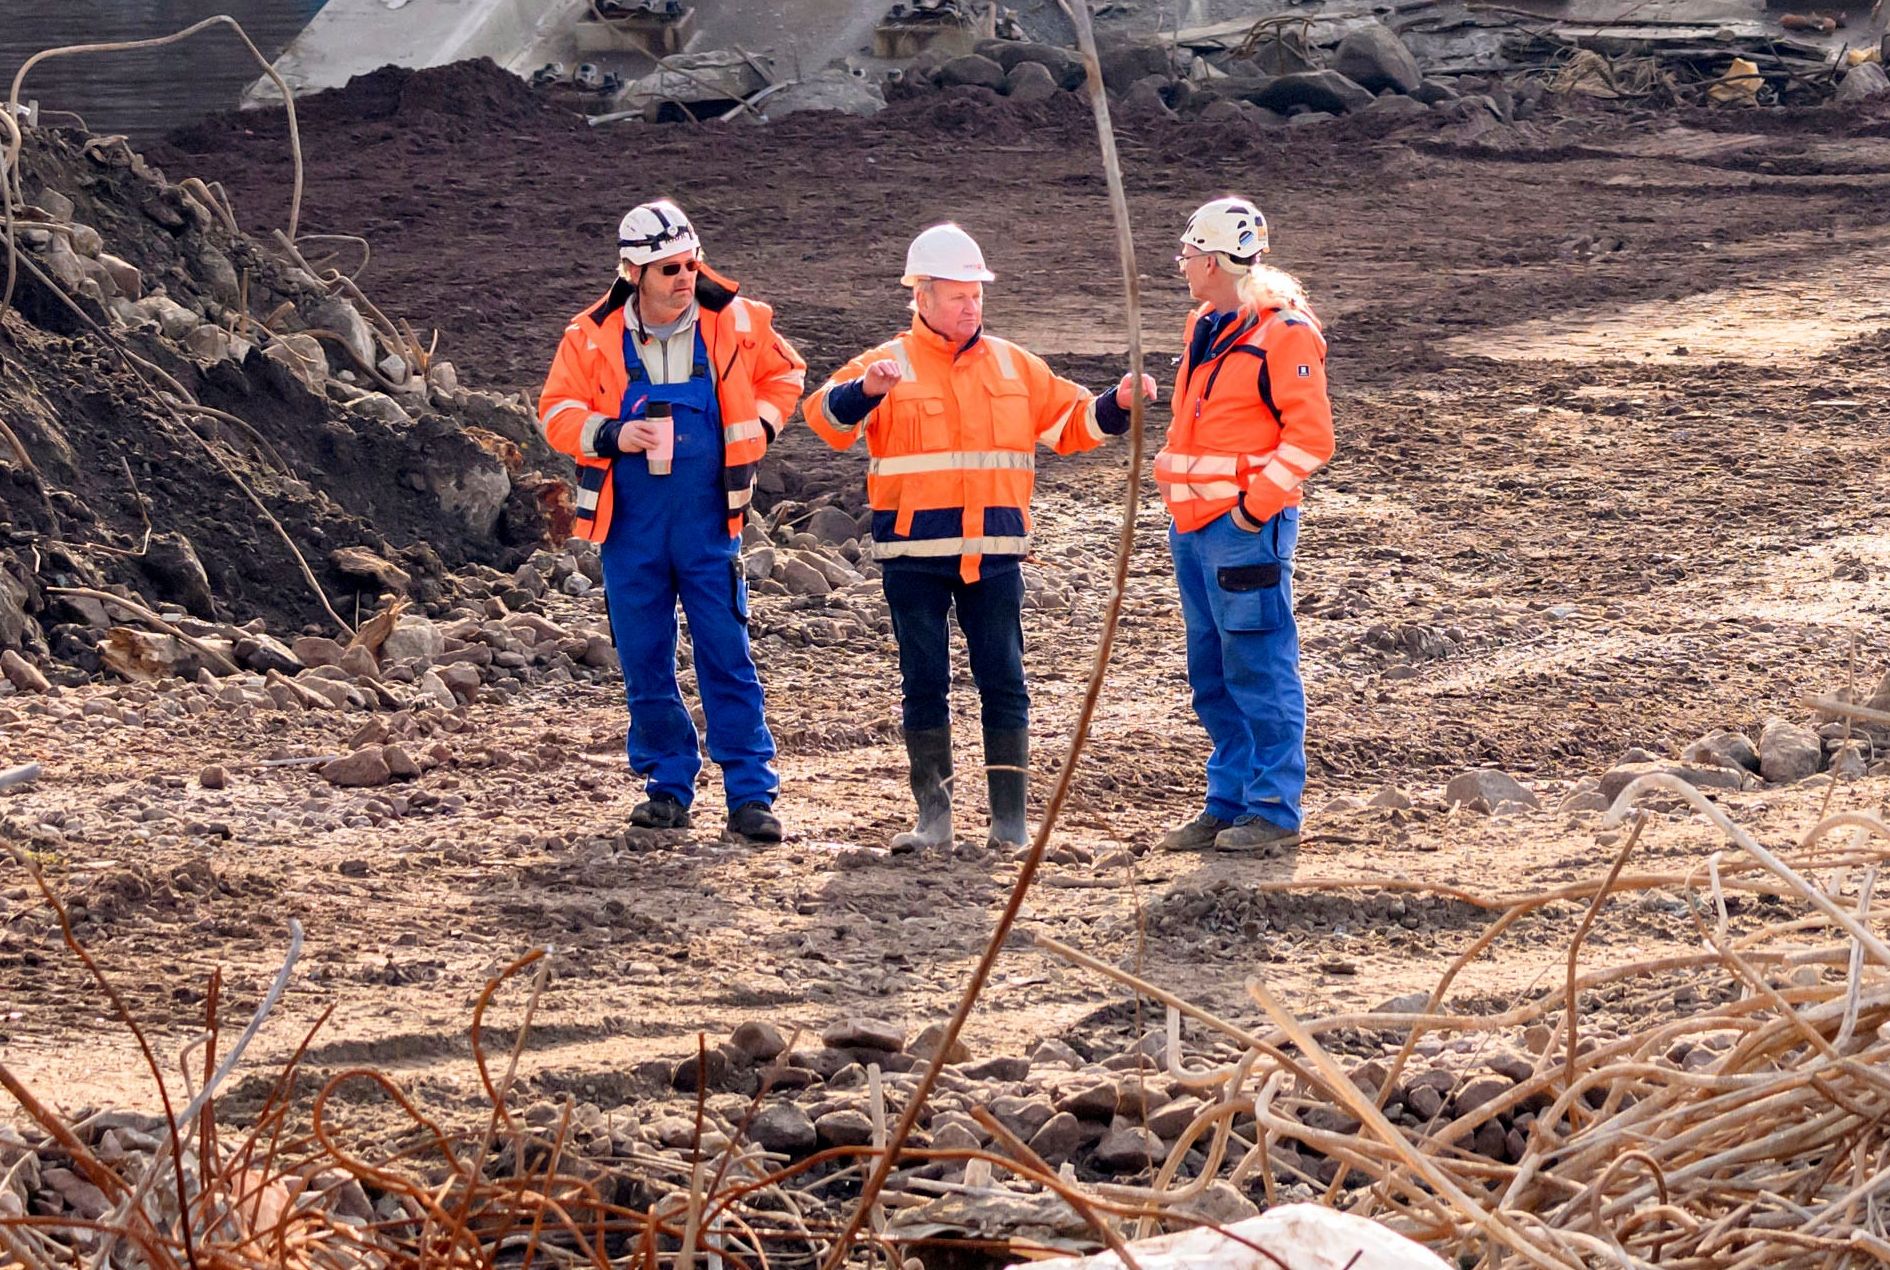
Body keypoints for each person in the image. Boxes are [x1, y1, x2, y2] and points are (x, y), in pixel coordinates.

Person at [806, 222, 1128, 857]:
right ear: (921, 297)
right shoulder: (887, 361)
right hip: (913, 559)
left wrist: (1117, 403)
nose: (971, 306)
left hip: (995, 554)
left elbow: (1071, 423)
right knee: (923, 681)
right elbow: (824, 418)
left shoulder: (1015, 364)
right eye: (958, 296)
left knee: (1004, 680)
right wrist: (867, 391)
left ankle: (1010, 823)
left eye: (976, 295)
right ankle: (935, 819)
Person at [529, 196, 803, 844]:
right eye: (669, 269)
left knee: (725, 654)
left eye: (690, 264)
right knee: (645, 660)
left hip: (710, 519)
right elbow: (554, 411)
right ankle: (667, 786)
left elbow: (786, 375)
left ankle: (749, 795)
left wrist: (759, 429)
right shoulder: (588, 337)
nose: (685, 278)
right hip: (631, 527)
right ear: (633, 274)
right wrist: (614, 433)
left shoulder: (736, 322)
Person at [1116, 192, 1330, 863]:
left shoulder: (1284, 330)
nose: (1181, 265)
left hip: (1241, 530)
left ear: (1212, 260)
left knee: (1259, 666)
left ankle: (1272, 809)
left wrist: (1253, 507)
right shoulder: (1207, 324)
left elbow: (1312, 437)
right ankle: (1230, 802)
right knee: (1212, 671)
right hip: (1196, 526)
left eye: (1186, 254)